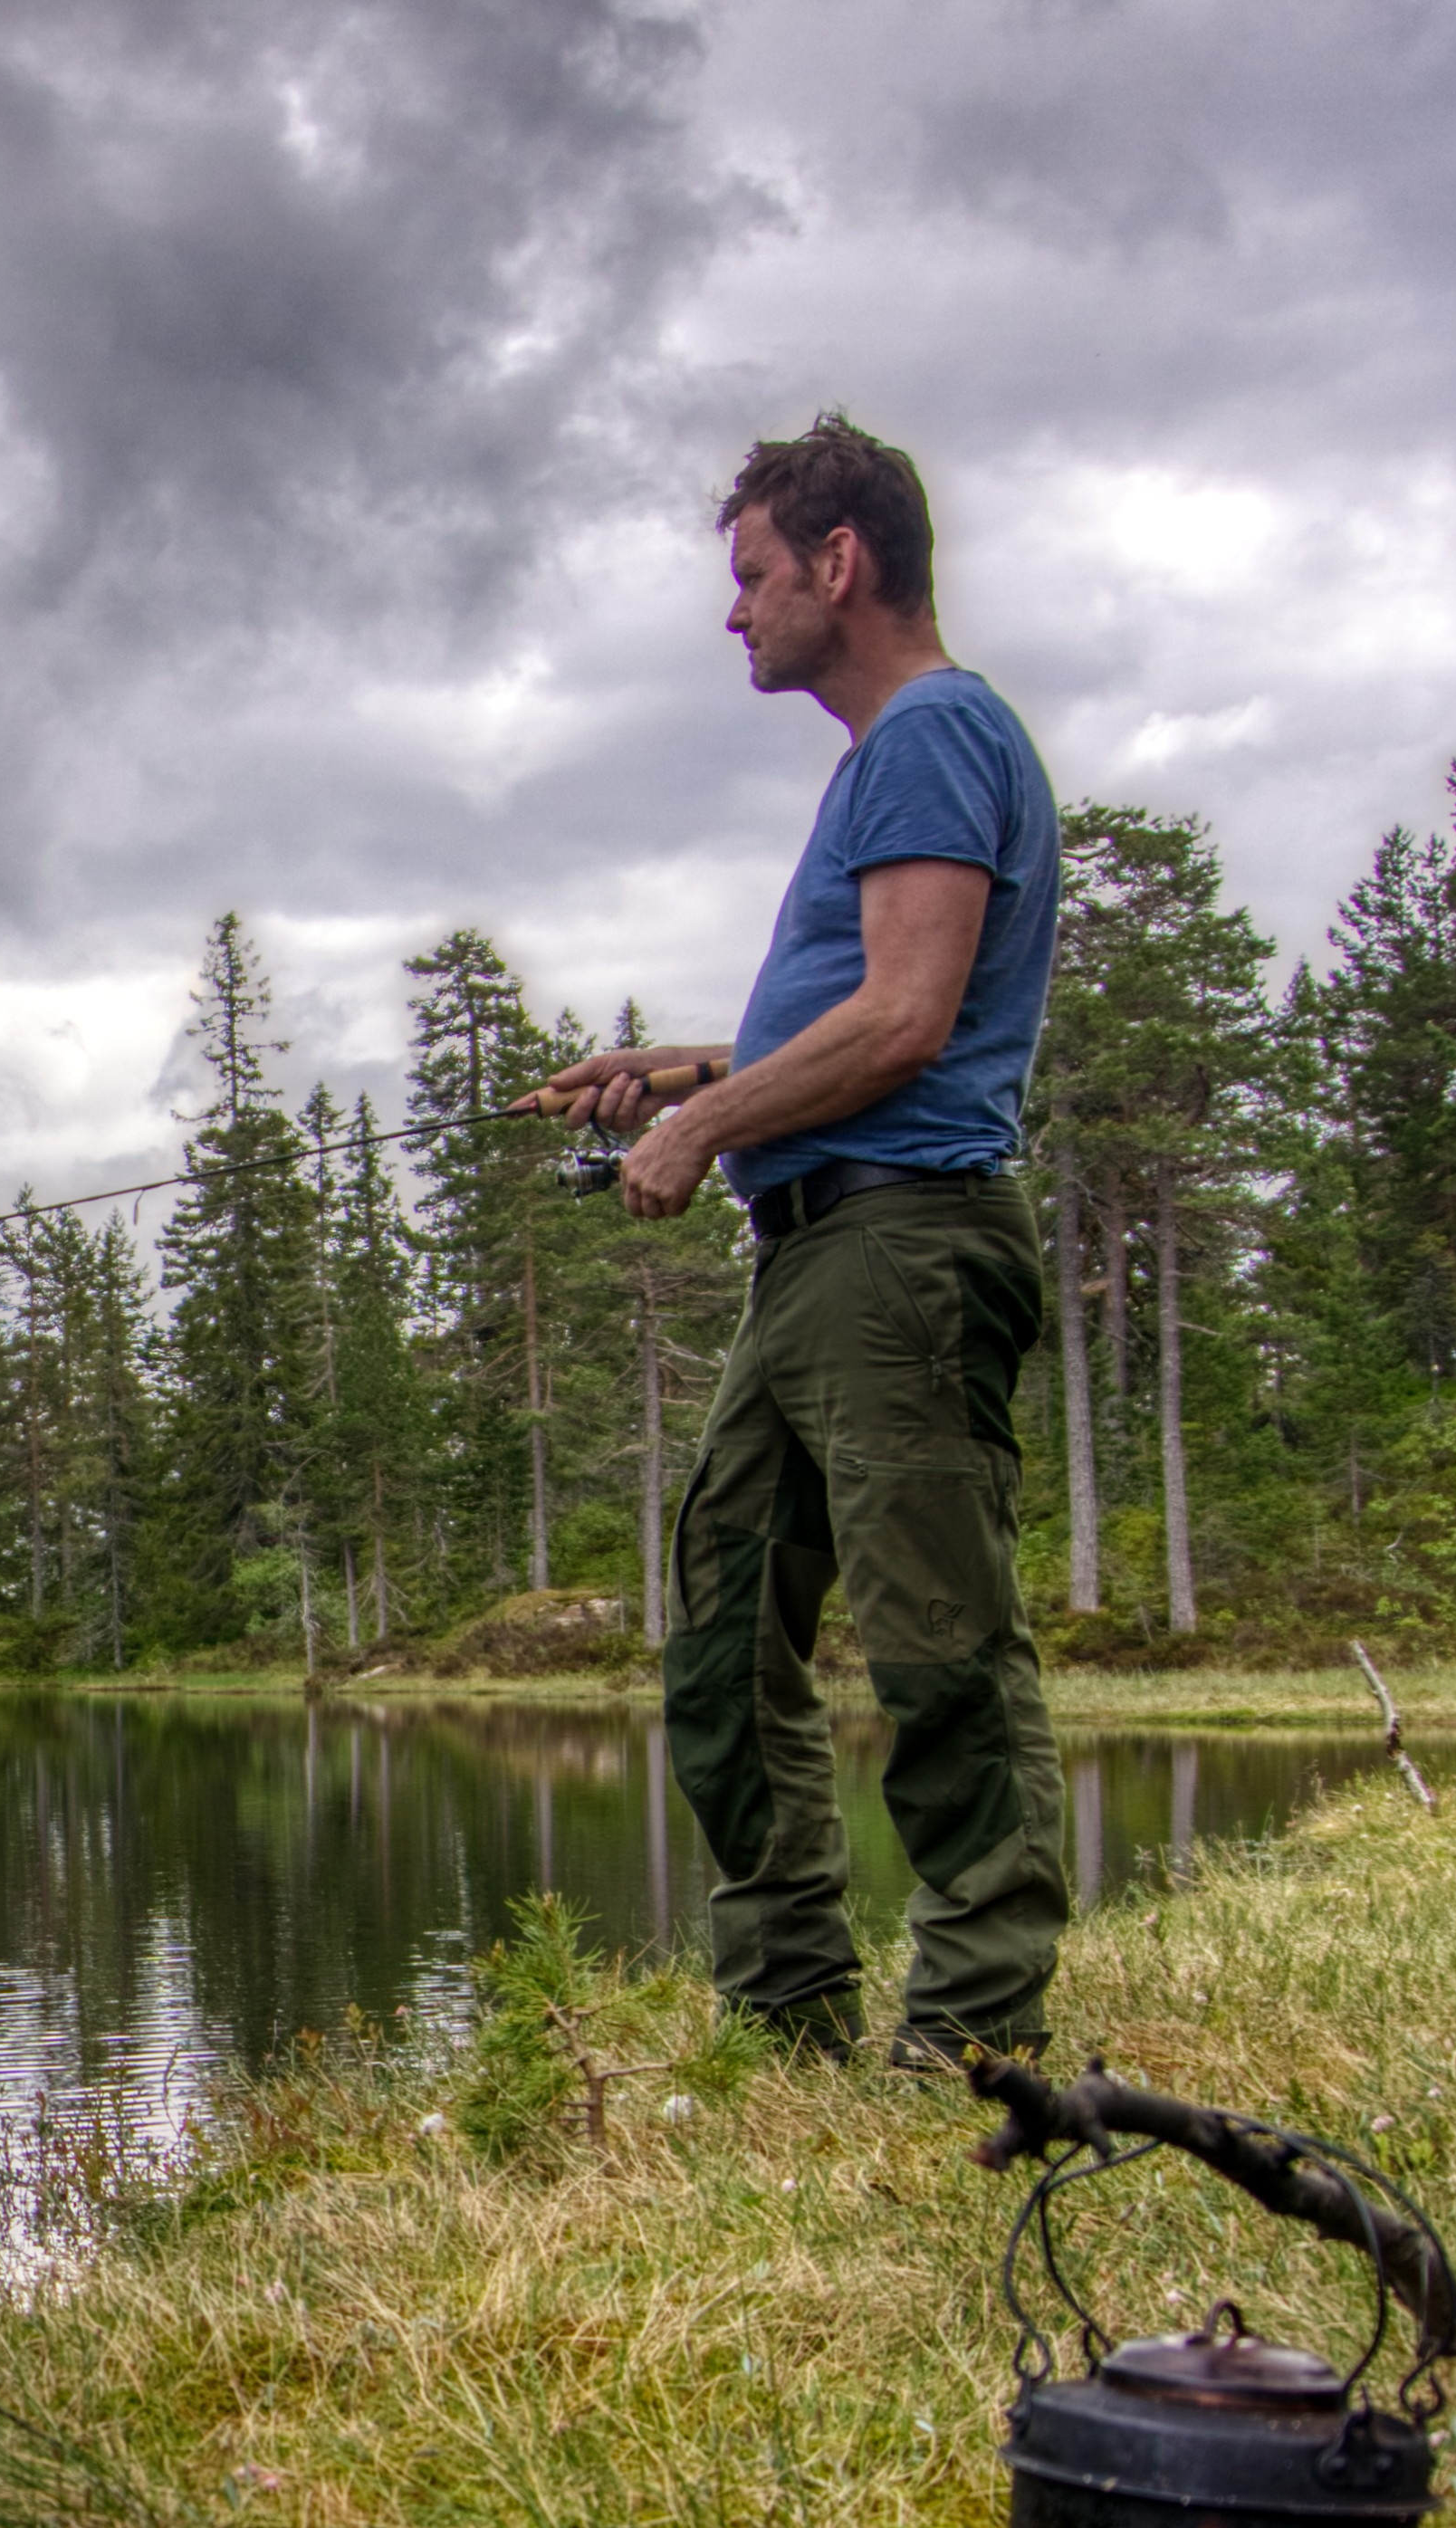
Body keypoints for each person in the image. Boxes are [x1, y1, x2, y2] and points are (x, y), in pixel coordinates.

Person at [558, 414, 1068, 2063]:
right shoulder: (895, 756)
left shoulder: (931, 731)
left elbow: (911, 1020)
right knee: (718, 1631)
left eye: (753, 576)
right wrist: (687, 1064)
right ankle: (788, 2013)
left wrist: (699, 1128)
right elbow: (863, 1008)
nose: (737, 614)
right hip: (821, 1257)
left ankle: (974, 2034)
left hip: (902, 1248)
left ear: (839, 563)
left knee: (941, 1648)